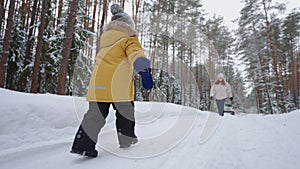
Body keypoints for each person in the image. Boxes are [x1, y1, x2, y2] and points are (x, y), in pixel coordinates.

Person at [70, 4, 153, 158]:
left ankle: (83, 145)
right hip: (118, 87)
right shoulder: (129, 39)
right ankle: (126, 139)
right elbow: (136, 54)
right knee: (125, 113)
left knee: (94, 115)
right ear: (129, 26)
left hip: (97, 86)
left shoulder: (105, 41)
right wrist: (144, 70)